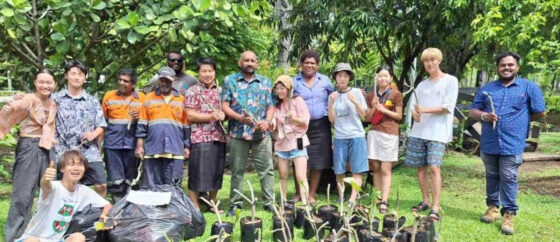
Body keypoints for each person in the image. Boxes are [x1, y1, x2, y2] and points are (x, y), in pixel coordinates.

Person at [469, 51, 546, 235]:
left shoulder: (529, 87)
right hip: (489, 141)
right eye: (503, 65)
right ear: (498, 67)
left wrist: (519, 121)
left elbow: (540, 112)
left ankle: (509, 214)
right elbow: (473, 111)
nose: (506, 68)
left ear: (517, 67)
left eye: (510, 65)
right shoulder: (488, 88)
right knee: (492, 175)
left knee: (509, 176)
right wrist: (485, 116)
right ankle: (493, 208)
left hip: (513, 142)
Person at [1, 69, 57, 242]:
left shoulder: (53, 103)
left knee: (49, 193)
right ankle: (15, 237)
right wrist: (10, 107)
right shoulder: (29, 99)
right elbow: (10, 108)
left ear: (54, 84)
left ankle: (42, 233)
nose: (45, 85)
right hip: (30, 147)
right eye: (41, 82)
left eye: (49, 82)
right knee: (23, 195)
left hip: (48, 148)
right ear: (35, 83)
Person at [406, 48, 458, 221]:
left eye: (432, 60)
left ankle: (435, 206)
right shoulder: (422, 85)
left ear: (439, 61)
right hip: (419, 131)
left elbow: (447, 107)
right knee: (421, 168)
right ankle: (426, 201)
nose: (429, 63)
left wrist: (425, 110)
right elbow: (415, 106)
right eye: (426, 61)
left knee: (434, 168)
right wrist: (416, 114)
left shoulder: (450, 81)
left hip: (437, 133)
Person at [16, 150, 112, 242]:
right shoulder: (54, 187)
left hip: (58, 240)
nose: (76, 168)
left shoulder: (83, 191)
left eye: (80, 164)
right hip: (35, 238)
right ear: (62, 168)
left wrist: (104, 215)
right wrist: (45, 178)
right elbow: (45, 186)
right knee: (32, 241)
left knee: (78, 237)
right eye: (71, 164)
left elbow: (107, 205)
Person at [222, 51, 275, 216]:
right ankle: (235, 204)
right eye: (246, 60)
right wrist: (239, 118)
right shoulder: (229, 81)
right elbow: (224, 105)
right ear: (240, 62)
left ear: (256, 64)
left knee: (267, 170)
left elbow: (270, 105)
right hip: (238, 133)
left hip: (261, 135)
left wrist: (267, 122)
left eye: (253, 61)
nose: (250, 63)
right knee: (237, 170)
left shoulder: (265, 82)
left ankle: (269, 203)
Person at [51, 60, 108, 197]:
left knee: (101, 184)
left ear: (85, 77)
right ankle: (67, 213)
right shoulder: (55, 98)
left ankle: (99, 213)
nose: (76, 77)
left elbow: (101, 125)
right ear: (66, 76)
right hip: (63, 149)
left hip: (88, 150)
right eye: (73, 74)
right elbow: (39, 103)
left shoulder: (91, 100)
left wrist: (94, 134)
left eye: (80, 74)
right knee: (64, 186)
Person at [135, 66, 190, 189]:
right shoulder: (148, 98)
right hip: (153, 148)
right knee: (150, 186)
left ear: (174, 80)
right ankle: (152, 208)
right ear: (158, 81)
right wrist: (139, 146)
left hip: (175, 149)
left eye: (168, 81)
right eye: (162, 80)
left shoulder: (182, 100)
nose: (164, 83)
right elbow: (142, 124)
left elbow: (186, 126)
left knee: (173, 186)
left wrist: (187, 146)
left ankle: (171, 208)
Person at [292, 50, 334, 204]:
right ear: (301, 64)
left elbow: (335, 97)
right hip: (299, 126)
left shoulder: (325, 81)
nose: (309, 65)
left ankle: (311, 194)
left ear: (317, 65)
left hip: (321, 126)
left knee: (318, 161)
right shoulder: (294, 81)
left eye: (313, 63)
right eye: (306, 62)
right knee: (298, 158)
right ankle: (298, 193)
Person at [184, 57, 226, 211]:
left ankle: (212, 202)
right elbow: (190, 115)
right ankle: (194, 204)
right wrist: (211, 116)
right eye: (204, 71)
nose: (207, 74)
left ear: (214, 72)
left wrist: (223, 116)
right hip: (200, 136)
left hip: (219, 136)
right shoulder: (192, 91)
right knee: (197, 171)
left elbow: (225, 112)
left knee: (216, 170)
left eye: (210, 71)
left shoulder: (221, 91)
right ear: (199, 73)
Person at [101, 68, 145, 202]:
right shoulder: (109, 96)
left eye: (126, 81)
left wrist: (139, 117)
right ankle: (118, 204)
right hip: (112, 143)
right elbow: (102, 121)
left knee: (131, 176)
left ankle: (129, 204)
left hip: (132, 144)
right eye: (120, 80)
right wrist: (99, 146)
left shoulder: (142, 98)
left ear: (133, 84)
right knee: (115, 178)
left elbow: (145, 124)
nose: (122, 83)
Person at [364, 65, 403, 214]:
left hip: (389, 133)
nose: (383, 78)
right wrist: (374, 107)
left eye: (386, 76)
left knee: (386, 168)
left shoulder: (396, 94)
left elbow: (399, 116)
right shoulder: (371, 95)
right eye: (380, 76)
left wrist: (384, 109)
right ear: (376, 77)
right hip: (374, 133)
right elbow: (367, 117)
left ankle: (384, 201)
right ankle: (378, 198)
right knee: (376, 167)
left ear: (391, 78)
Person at [328, 63, 368, 206]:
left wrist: (355, 101)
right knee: (339, 169)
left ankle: (353, 197)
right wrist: (331, 102)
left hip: (356, 135)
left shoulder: (357, 92)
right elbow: (331, 119)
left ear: (349, 77)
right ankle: (341, 194)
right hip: (340, 137)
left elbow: (364, 115)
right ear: (335, 78)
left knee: (357, 169)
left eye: (345, 76)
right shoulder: (332, 95)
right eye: (339, 76)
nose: (342, 79)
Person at [273, 75, 311, 205]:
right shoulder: (276, 105)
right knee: (283, 174)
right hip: (282, 143)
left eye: (282, 88)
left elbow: (305, 120)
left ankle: (305, 203)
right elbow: (274, 123)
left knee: (301, 176)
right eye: (277, 89)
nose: (279, 91)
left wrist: (293, 117)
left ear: (289, 88)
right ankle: (283, 201)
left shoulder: (297, 100)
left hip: (297, 141)